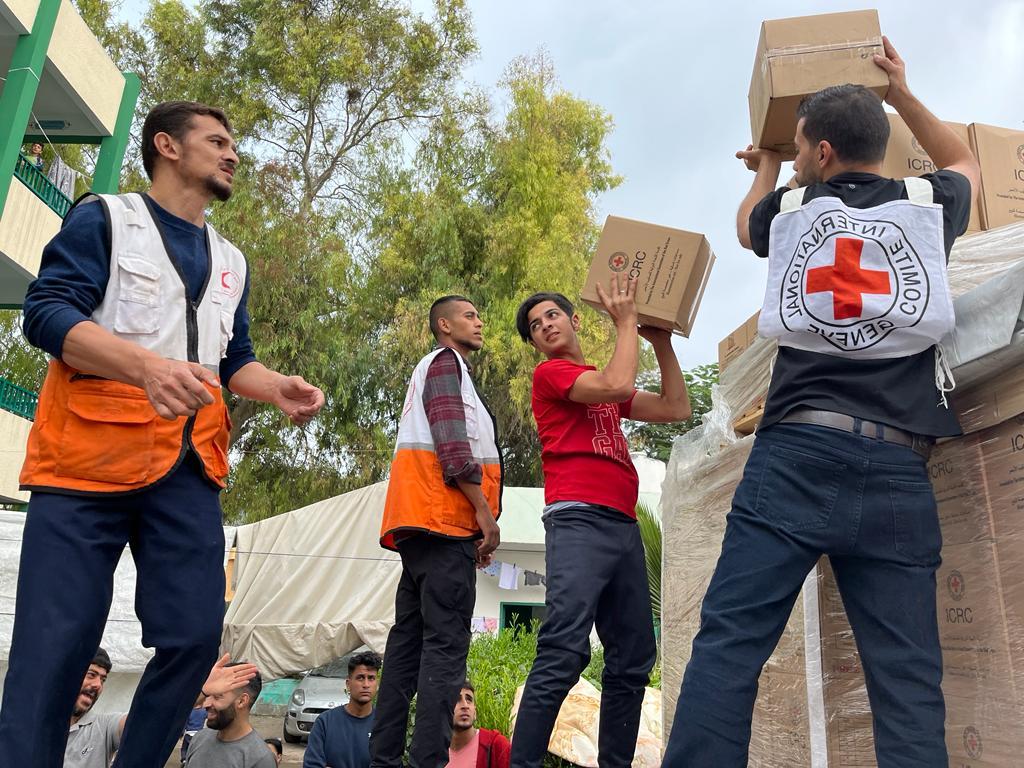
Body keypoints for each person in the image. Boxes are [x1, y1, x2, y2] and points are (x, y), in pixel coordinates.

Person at [664, 38, 980, 768]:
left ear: (824, 152)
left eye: (804, 149)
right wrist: (902, 93)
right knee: (907, 683)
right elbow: (965, 159)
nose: (800, 161)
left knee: (731, 646)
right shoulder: (928, 203)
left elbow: (745, 222)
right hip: (899, 467)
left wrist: (766, 164)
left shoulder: (793, 207)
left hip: (795, 459)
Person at [0, 100, 325, 768]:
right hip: (86, 462)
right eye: (217, 141)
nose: (232, 153)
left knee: (195, 640)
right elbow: (46, 313)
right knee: (54, 646)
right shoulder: (105, 219)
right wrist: (144, 367)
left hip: (188, 469)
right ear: (166, 146)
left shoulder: (231, 260)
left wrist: (274, 386)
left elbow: (233, 360)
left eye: (233, 144)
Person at [511, 278, 691, 768]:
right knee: (564, 650)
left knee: (632, 659)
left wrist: (661, 343)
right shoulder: (552, 375)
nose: (545, 325)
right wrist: (628, 322)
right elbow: (615, 384)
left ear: (573, 320)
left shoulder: (601, 382)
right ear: (536, 345)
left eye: (552, 315)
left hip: (623, 526)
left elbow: (676, 407)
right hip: (578, 520)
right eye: (535, 326)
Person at [370, 295, 502, 768]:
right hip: (442, 523)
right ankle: (427, 761)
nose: (479, 322)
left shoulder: (434, 368)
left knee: (406, 647)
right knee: (445, 652)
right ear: (444, 325)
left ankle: (383, 759)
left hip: (422, 529)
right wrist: (483, 515)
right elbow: (453, 447)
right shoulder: (447, 364)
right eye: (469, 315)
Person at [65, 649, 257, 768]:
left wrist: (201, 691)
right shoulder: (41, 725)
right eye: (91, 675)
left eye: (103, 679)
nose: (98, 684)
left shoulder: (103, 727)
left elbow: (150, 720)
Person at [183, 664, 276, 767]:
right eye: (208, 695)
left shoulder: (260, 758)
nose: (206, 704)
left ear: (242, 701)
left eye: (217, 697)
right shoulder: (199, 739)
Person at [304, 651, 382, 768]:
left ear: (377, 684)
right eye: (360, 678)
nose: (366, 684)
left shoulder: (383, 725)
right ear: (348, 684)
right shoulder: (325, 722)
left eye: (371, 678)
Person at [449, 682, 510, 768]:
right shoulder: (434, 754)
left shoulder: (496, 746)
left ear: (475, 712)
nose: (465, 706)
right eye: (457, 699)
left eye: (469, 700)